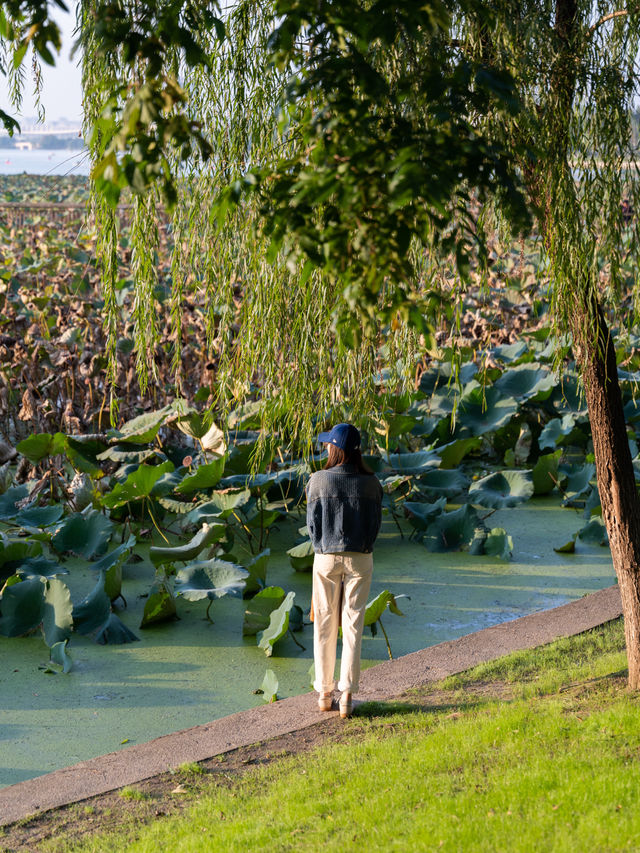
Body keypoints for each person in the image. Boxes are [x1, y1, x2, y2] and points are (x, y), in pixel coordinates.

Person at [306, 423, 383, 718]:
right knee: (353, 625)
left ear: (335, 449)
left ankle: (325, 694)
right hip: (360, 558)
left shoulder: (318, 480)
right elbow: (375, 525)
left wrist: (323, 546)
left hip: (325, 556)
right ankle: (347, 696)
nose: (325, 447)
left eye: (328, 444)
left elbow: (312, 526)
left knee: (324, 623)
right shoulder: (372, 483)